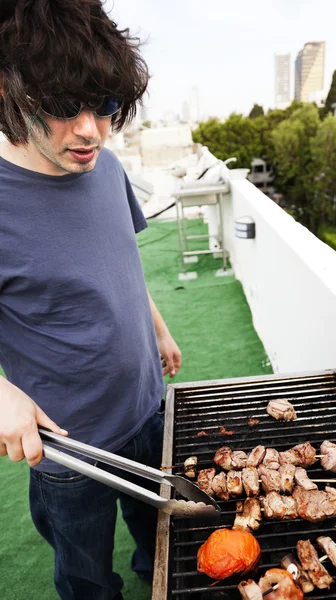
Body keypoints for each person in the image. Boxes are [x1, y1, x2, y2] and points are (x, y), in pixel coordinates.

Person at [0, 1, 182, 598]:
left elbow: (122, 262)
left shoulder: (105, 169)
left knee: (161, 540)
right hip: (70, 453)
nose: (90, 130)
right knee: (85, 577)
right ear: (9, 89)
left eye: (104, 107)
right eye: (61, 106)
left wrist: (156, 327)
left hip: (148, 412)